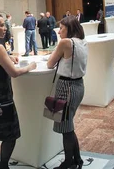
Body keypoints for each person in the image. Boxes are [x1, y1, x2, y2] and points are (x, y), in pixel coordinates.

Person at [0, 12, 36, 169]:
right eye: (1, 25)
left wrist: (9, 58)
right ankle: (3, 165)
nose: (4, 28)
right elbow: (14, 73)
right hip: (1, 97)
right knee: (10, 135)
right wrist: (30, 67)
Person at [46, 16, 88, 169]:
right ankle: (77, 159)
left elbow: (50, 64)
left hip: (66, 87)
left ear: (69, 28)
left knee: (66, 128)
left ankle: (68, 162)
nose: (58, 32)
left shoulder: (65, 43)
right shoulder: (82, 42)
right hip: (78, 86)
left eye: (61, 28)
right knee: (69, 126)